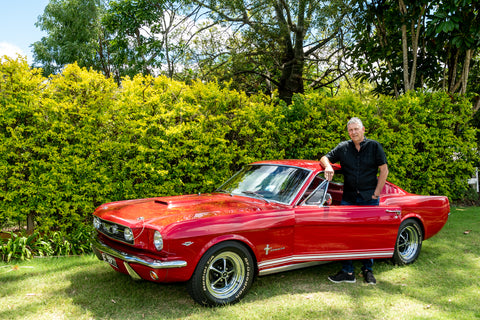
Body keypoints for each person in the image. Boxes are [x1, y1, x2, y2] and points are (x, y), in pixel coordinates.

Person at [320, 117, 388, 285]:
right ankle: (347, 271)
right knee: (346, 234)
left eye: (356, 129)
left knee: (368, 235)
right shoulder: (343, 147)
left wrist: (376, 193)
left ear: (363, 129)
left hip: (369, 198)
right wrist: (328, 166)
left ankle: (368, 270)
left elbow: (384, 170)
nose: (353, 132)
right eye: (350, 130)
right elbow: (324, 157)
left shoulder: (374, 146)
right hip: (349, 198)